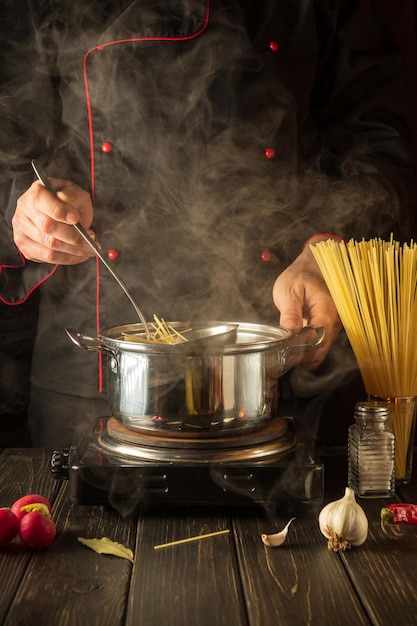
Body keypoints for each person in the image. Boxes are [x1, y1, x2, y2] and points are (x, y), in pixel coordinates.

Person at [0, 0, 415, 448]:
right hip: (93, 379)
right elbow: (9, 140)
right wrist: (24, 207)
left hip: (277, 356)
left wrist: (326, 251)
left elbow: (379, 136)